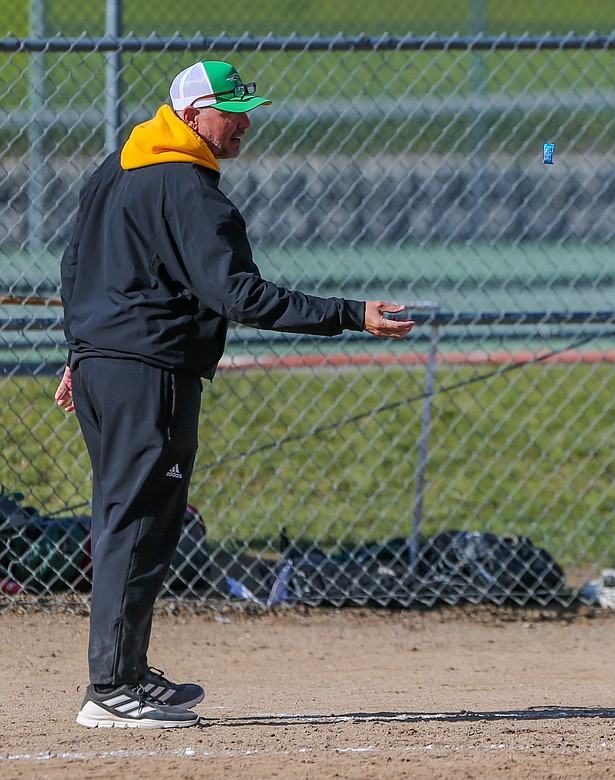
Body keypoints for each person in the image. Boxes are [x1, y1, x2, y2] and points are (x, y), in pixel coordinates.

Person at [53, 60, 415, 729]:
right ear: (191, 115)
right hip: (147, 371)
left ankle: (126, 673)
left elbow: (74, 264)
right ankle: (109, 689)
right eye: (231, 109)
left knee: (132, 521)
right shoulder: (189, 189)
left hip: (107, 367)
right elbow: (237, 295)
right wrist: (347, 312)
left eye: (248, 109)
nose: (245, 122)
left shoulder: (119, 165)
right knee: (139, 525)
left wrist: (81, 352)